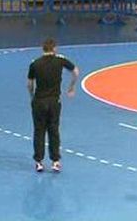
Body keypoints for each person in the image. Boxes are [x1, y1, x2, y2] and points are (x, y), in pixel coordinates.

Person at [27, 38, 79, 173]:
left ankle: (39, 162)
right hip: (54, 101)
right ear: (54, 48)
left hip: (39, 101)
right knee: (53, 130)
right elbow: (75, 71)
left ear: (42, 49)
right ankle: (55, 161)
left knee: (39, 131)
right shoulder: (60, 61)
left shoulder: (35, 64)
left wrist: (33, 96)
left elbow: (30, 84)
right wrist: (72, 87)